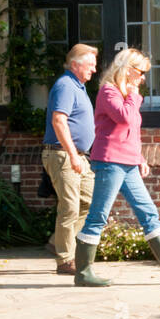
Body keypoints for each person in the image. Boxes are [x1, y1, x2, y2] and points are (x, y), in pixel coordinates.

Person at [74, 48, 160, 287]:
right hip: (110, 162)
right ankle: (83, 272)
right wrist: (134, 95)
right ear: (127, 70)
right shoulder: (109, 91)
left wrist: (141, 158)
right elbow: (124, 117)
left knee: (149, 213)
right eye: (139, 73)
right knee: (98, 215)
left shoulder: (125, 94)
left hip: (128, 163)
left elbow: (133, 132)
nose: (143, 78)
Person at [42, 44, 99, 274]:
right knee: (70, 208)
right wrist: (73, 155)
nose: (94, 70)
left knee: (90, 202)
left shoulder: (79, 87)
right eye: (91, 65)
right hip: (63, 154)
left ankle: (58, 241)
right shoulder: (65, 86)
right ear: (76, 65)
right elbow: (59, 121)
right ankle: (65, 260)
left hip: (77, 155)